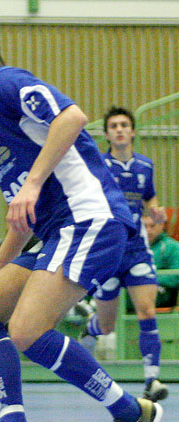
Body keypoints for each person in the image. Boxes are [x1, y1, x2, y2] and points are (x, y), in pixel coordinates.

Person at [0, 12, 162, 422]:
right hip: (58, 228)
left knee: (28, 330)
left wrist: (34, 181)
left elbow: (72, 117)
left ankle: (127, 411)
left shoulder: (5, 85)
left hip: (91, 217)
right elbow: (23, 212)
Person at [79, 107, 168, 402]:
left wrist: (154, 211)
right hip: (107, 250)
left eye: (124, 125)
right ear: (106, 134)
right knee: (107, 325)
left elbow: (149, 197)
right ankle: (89, 329)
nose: (119, 130)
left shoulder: (145, 165)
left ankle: (152, 380)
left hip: (136, 250)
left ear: (132, 132)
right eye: (113, 126)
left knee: (147, 310)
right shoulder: (98, 165)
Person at [143, 215, 179, 308]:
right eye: (144, 226)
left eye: (152, 226)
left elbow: (175, 276)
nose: (148, 231)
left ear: (161, 225)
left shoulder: (173, 247)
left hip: (163, 293)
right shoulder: (132, 248)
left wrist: (147, 279)